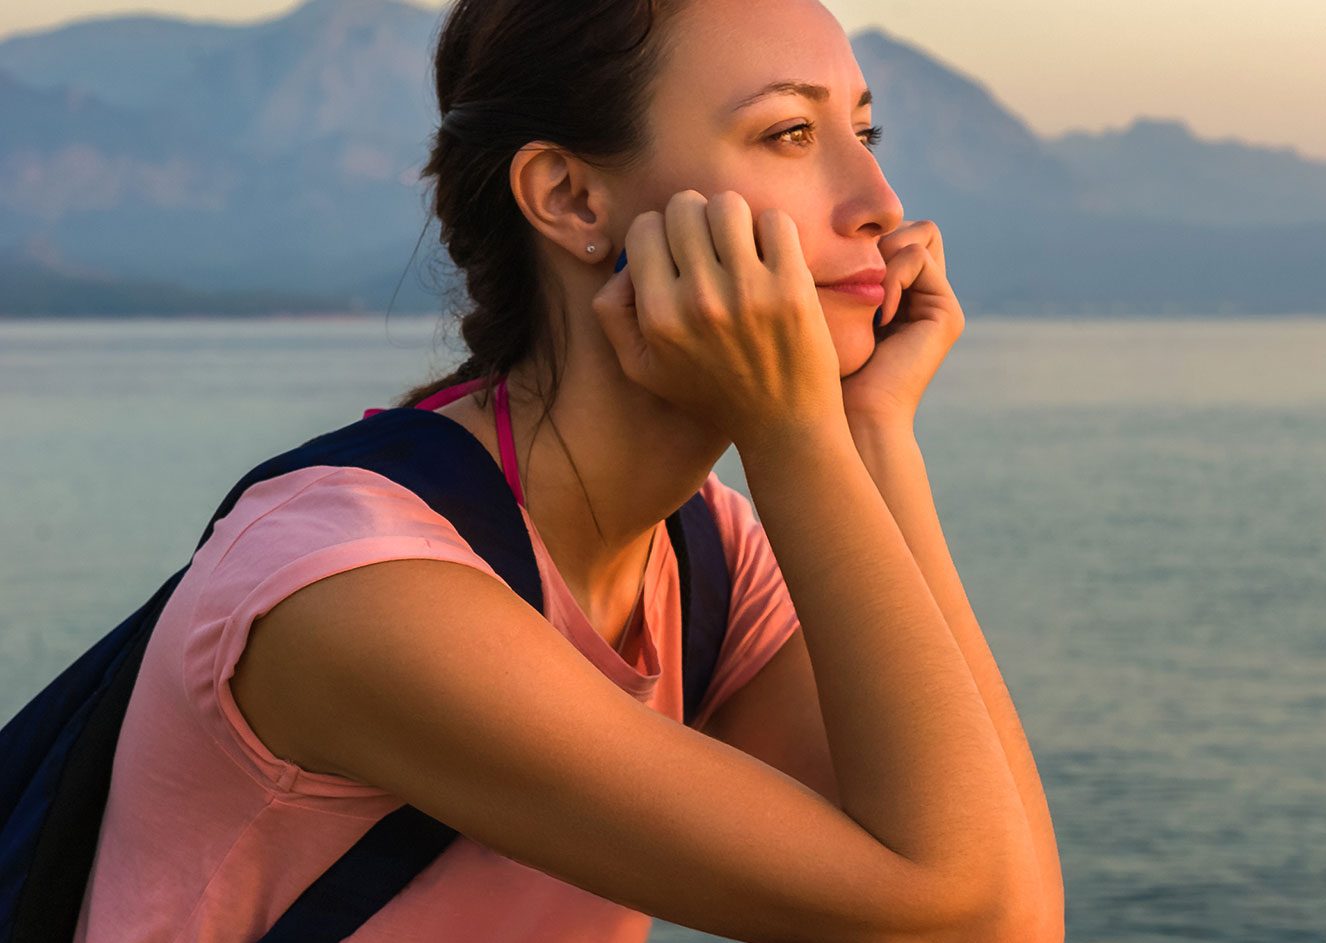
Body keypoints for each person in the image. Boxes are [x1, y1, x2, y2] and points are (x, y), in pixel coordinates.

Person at [69, 0, 1063, 939]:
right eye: (789, 136)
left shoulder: (704, 554)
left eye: (865, 133)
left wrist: (870, 431)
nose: (879, 207)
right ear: (573, 197)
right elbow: (955, 909)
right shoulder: (354, 587)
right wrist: (796, 435)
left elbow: (1007, 921)